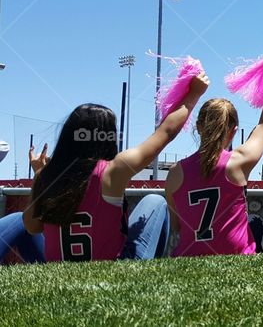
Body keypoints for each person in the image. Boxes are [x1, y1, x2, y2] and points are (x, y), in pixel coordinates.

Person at [21, 74, 207, 261]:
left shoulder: (47, 174)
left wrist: (39, 176)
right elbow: (165, 132)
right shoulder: (112, 171)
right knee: (155, 201)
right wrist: (194, 94)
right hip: (111, 269)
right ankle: (149, 275)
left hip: (60, 271)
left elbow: (32, 226)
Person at [165, 57, 263, 257]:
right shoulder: (238, 162)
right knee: (255, 222)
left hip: (187, 256)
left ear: (198, 127)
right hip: (236, 254)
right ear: (233, 131)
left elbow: (177, 227)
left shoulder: (174, 173)